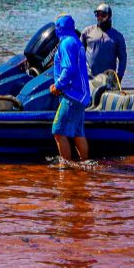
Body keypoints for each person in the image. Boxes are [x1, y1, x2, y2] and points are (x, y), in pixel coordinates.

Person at [48, 14, 92, 164]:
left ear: (59, 28)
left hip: (72, 96)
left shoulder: (66, 43)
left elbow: (69, 69)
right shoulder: (76, 41)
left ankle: (66, 167)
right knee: (77, 132)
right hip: (81, 95)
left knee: (58, 131)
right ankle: (85, 163)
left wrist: (57, 85)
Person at [80, 3, 127, 80]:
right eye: (97, 15)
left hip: (108, 78)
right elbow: (79, 54)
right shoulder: (87, 32)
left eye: (103, 15)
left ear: (109, 16)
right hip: (89, 77)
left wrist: (120, 75)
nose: (100, 17)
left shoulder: (118, 37)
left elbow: (123, 59)